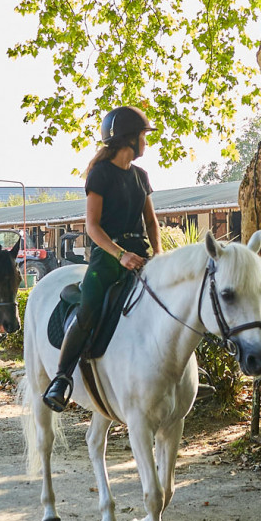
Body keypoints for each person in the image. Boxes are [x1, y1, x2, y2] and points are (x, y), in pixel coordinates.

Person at [42, 107, 162, 413]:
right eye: (142, 136)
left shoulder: (141, 176)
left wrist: (158, 256)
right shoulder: (100, 174)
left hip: (141, 255)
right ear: (128, 139)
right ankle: (61, 378)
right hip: (108, 259)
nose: (146, 142)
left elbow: (151, 222)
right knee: (88, 309)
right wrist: (120, 255)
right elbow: (92, 227)